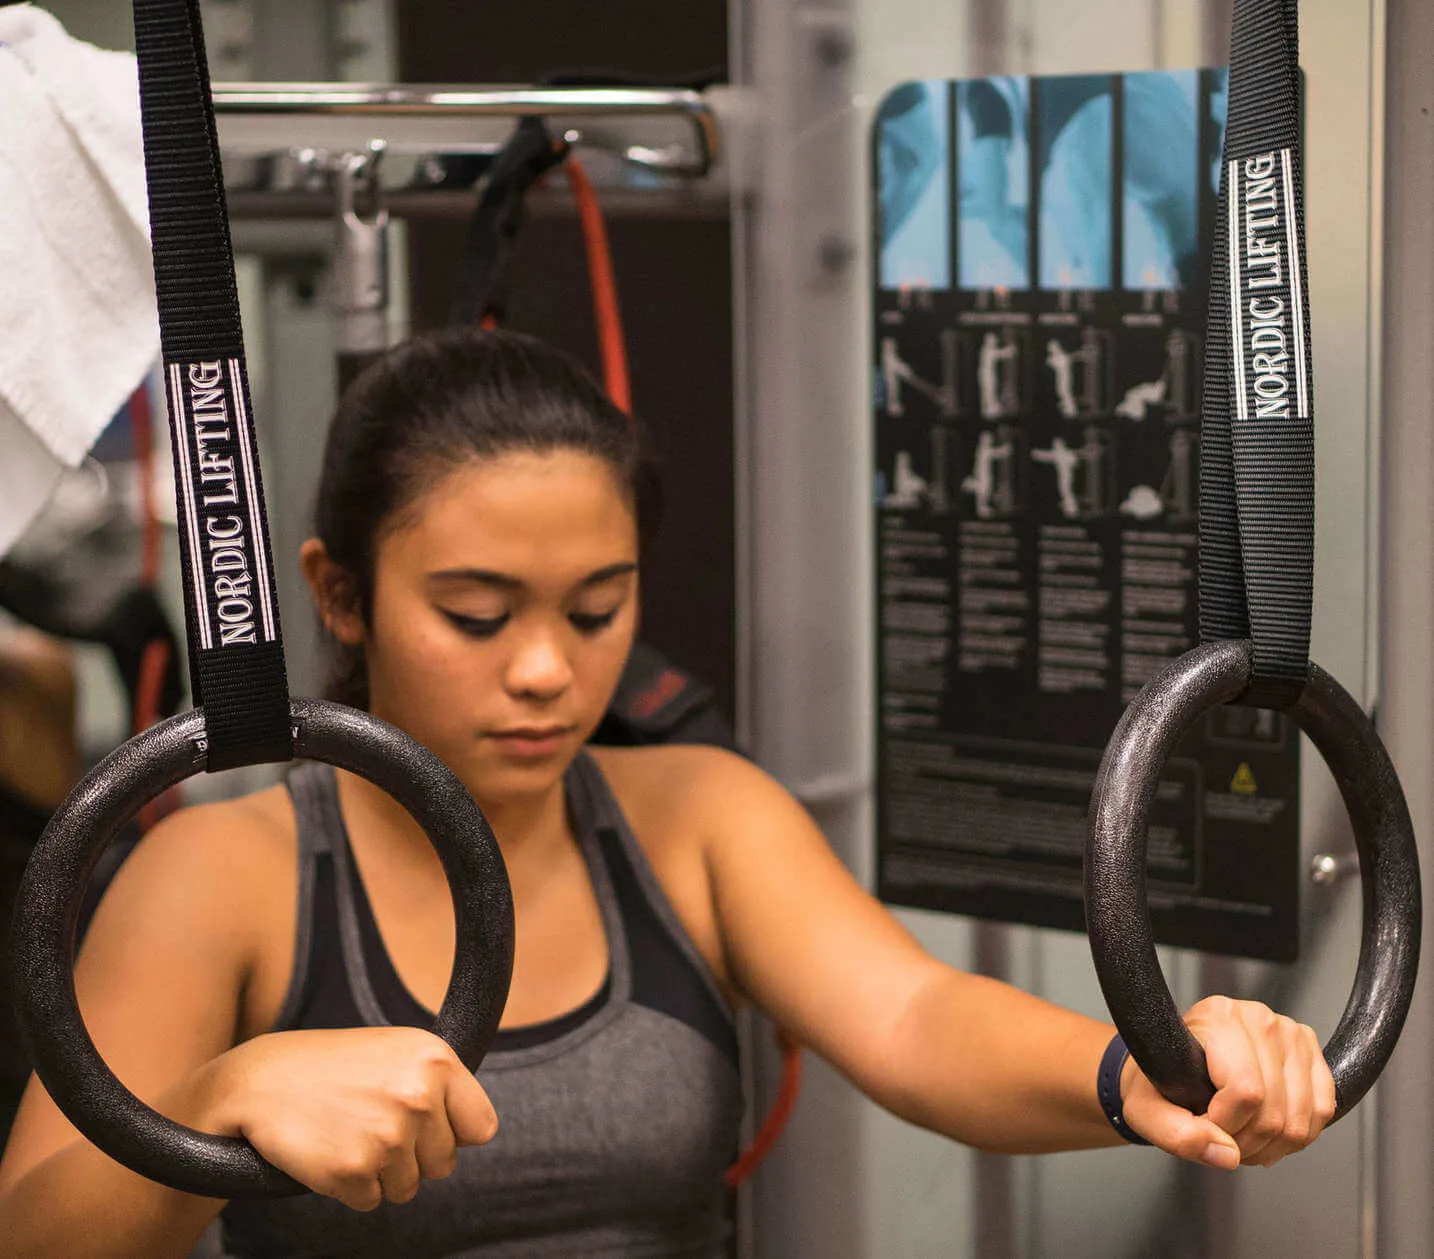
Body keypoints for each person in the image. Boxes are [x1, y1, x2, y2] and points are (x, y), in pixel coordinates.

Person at [0, 330, 1335, 1258]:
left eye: (596, 609)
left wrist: (1145, 1065)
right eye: (474, 615)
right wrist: (221, 1098)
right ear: (338, 590)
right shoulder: (222, 873)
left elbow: (916, 1016)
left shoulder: (694, 813)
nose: (545, 670)